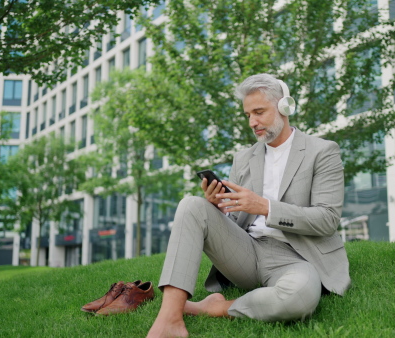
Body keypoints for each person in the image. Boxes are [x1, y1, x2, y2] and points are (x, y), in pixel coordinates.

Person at [147, 73, 350, 338]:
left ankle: (213, 308)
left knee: (299, 297)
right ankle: (169, 318)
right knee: (192, 205)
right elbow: (236, 221)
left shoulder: (322, 151)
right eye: (248, 115)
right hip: (247, 251)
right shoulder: (243, 158)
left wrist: (266, 207)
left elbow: (327, 219)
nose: (253, 122)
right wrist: (220, 210)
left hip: (297, 257)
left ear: (284, 107)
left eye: (259, 112)